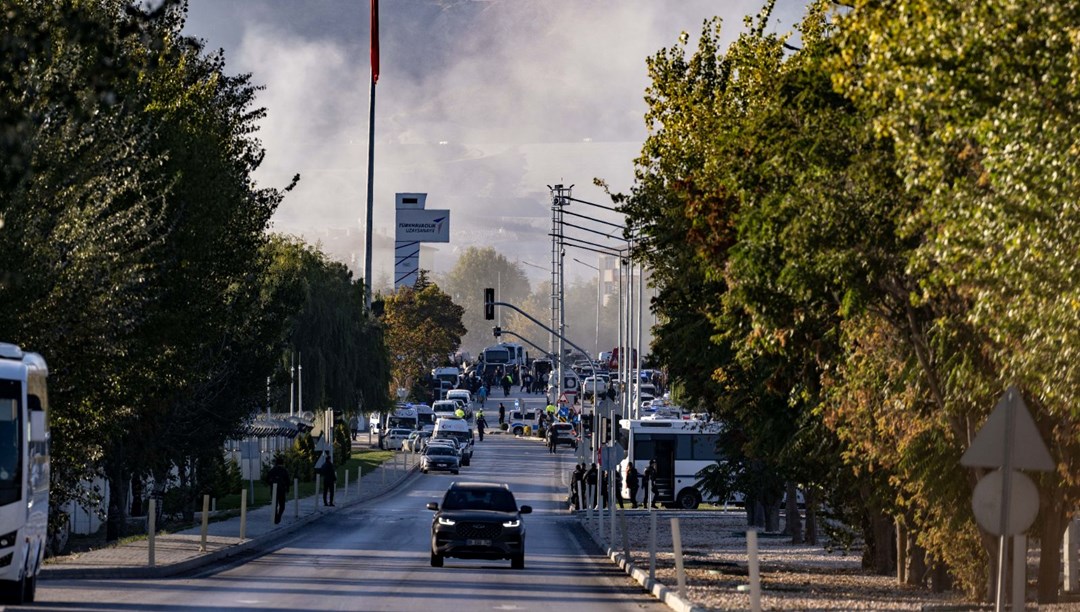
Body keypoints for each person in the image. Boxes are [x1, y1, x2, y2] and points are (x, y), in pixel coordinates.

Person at [266, 456, 290, 524]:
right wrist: (287, 489)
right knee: (282, 505)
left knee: (275, 504)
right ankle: (278, 516)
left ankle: (275, 517)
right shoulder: (284, 471)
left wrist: (271, 483)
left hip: (274, 489)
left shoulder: (272, 470)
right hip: (282, 490)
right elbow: (288, 481)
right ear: (282, 463)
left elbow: (267, 479)